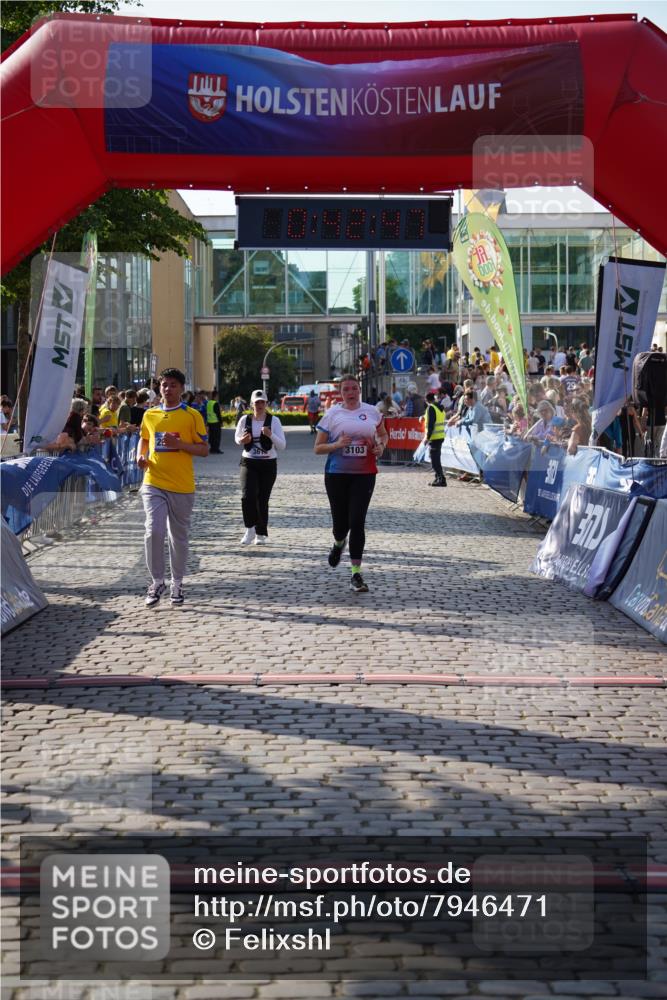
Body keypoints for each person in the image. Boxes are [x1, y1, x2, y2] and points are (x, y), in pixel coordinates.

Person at [137, 367, 209, 608]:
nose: (167, 389)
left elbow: (204, 449)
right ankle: (157, 581)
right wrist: (141, 456)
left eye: (173, 385)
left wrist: (179, 444)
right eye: (164, 385)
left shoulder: (192, 415)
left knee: (178, 537)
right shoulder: (150, 414)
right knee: (153, 531)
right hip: (153, 481)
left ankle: (177, 583)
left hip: (182, 485)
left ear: (182, 388)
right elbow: (145, 439)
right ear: (159, 387)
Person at [314, 373, 388, 593]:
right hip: (336, 474)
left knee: (357, 521)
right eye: (346, 389)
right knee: (340, 526)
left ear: (359, 390)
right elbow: (317, 448)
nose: (351, 393)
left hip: (364, 474)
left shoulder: (372, 412)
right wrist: (337, 444)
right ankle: (338, 543)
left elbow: (383, 435)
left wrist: (381, 447)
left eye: (354, 388)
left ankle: (356, 573)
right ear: (340, 393)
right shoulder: (332, 414)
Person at [234, 389, 286, 545]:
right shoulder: (244, 420)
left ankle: (261, 533)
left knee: (262, 499)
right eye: (257, 402)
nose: (260, 405)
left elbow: (282, 446)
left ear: (267, 404)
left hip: (268, 463)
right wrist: (243, 439)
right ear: (251, 404)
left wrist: (270, 435)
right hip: (249, 461)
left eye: (262, 402)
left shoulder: (274, 421)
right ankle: (250, 529)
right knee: (247, 496)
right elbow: (237, 439)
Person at [423, 391, 447, 487]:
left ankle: (441, 479)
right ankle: (438, 478)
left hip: (434, 437)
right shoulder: (439, 407)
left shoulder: (431, 408)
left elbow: (431, 424)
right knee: (436, 459)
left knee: (435, 460)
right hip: (440, 436)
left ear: (426, 400)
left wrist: (427, 438)